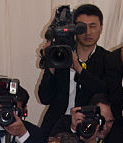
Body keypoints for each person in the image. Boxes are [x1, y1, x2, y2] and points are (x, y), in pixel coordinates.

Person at [38, 3, 111, 135]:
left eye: (93, 26)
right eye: (82, 27)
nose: (88, 32)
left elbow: (105, 91)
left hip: (89, 129)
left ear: (101, 28)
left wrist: (78, 68)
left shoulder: (107, 59)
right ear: (74, 29)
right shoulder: (61, 54)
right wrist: (51, 62)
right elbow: (44, 97)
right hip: (55, 127)